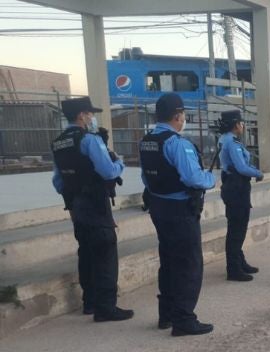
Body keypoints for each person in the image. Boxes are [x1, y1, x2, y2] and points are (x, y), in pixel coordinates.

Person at [139, 93, 215, 336]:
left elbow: (145, 176)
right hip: (180, 210)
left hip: (159, 207)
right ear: (177, 116)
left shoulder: (147, 141)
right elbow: (193, 178)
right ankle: (184, 319)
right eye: (183, 115)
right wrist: (211, 179)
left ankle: (167, 314)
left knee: (169, 261)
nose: (184, 119)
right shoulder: (178, 143)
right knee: (189, 264)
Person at [51, 97, 133, 322]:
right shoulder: (89, 140)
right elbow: (108, 171)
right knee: (106, 252)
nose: (92, 118)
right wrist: (120, 164)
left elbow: (58, 181)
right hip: (95, 202)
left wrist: (74, 195)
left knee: (86, 252)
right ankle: (106, 308)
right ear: (81, 116)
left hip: (76, 206)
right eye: (89, 113)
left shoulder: (58, 142)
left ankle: (90, 302)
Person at [217, 110, 264, 282]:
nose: (243, 125)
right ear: (236, 124)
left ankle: (239, 262)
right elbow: (242, 167)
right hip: (237, 187)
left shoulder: (225, 139)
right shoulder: (232, 142)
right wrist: (258, 173)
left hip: (232, 186)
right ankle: (234, 269)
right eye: (241, 123)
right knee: (237, 229)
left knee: (236, 228)